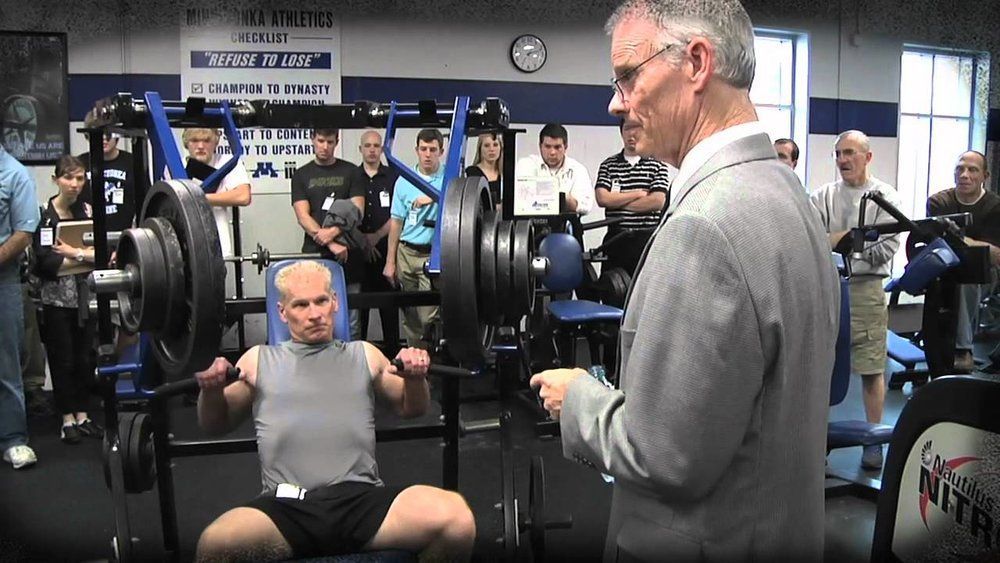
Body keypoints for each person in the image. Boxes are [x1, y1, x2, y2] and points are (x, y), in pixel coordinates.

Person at [529, 1, 839, 560]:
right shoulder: (787, 192)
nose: (615, 100)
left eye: (627, 76)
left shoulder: (706, 225)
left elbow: (663, 456)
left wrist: (578, 399)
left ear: (696, 63)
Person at [193, 260, 475, 561]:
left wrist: (415, 378)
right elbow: (216, 423)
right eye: (301, 305)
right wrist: (210, 390)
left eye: (321, 301)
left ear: (335, 302)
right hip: (288, 507)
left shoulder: (364, 355)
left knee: (456, 520)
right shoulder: (258, 361)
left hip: (361, 499)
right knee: (215, 545)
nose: (314, 314)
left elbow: (412, 407)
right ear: (282, 312)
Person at [810, 130, 902, 470]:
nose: (843, 160)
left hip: (866, 291)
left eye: (850, 152)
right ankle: (815, 440)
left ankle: (873, 443)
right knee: (822, 367)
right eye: (838, 154)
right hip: (828, 289)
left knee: (870, 366)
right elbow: (811, 239)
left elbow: (885, 249)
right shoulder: (823, 197)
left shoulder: (885, 197)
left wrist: (838, 247)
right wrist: (844, 243)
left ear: (868, 156)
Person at [32, 155, 103, 444]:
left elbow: (102, 254)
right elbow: (46, 263)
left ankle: (84, 414)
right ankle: (67, 417)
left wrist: (75, 253)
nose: (74, 184)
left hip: (86, 298)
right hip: (57, 301)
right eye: (68, 178)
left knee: (85, 358)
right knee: (63, 360)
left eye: (80, 178)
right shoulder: (45, 216)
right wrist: (83, 257)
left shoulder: (88, 211)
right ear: (56, 180)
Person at [927, 150, 1000, 372]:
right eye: (960, 169)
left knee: (968, 279)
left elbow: (994, 254)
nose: (965, 175)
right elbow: (933, 241)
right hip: (943, 268)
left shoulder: (995, 206)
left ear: (985, 176)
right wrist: (973, 244)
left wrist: (956, 238)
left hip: (985, 273)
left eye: (972, 170)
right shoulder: (938, 202)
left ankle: (962, 349)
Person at [291, 129, 367, 339]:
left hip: (349, 254)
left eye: (330, 142)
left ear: (337, 142)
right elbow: (302, 216)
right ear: (312, 140)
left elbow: (357, 210)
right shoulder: (301, 175)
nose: (325, 146)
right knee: (315, 315)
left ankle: (351, 365)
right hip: (315, 255)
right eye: (321, 141)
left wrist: (332, 232)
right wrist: (330, 243)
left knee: (351, 318)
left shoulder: (351, 172)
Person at [384, 129, 445, 349]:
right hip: (406, 252)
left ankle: (431, 366)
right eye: (423, 149)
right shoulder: (404, 180)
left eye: (433, 150)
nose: (427, 154)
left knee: (428, 317)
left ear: (442, 151)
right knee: (409, 316)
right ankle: (414, 369)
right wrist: (390, 262)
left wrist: (433, 197)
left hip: (432, 255)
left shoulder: (451, 180)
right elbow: (396, 222)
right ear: (416, 150)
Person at [0, 142, 40, 469]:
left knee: (6, 363)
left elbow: (24, 233)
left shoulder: (15, 174)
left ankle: (13, 439)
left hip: (3, 283)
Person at [594, 122, 671, 275]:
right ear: (621, 132)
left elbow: (657, 202)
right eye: (627, 129)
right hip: (615, 239)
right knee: (612, 291)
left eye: (637, 129)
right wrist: (637, 194)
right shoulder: (608, 165)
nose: (632, 134)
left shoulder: (658, 164)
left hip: (646, 239)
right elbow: (602, 198)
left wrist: (617, 202)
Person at [357, 130, 400, 353]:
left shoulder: (393, 177)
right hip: (359, 253)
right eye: (368, 146)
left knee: (390, 308)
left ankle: (393, 357)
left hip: (387, 251)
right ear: (360, 149)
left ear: (382, 149)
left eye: (376, 145)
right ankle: (361, 359)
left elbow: (398, 213)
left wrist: (376, 237)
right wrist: (364, 241)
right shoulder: (351, 176)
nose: (372, 150)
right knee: (359, 310)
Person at [180, 128, 252, 258]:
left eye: (206, 141)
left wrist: (196, 198)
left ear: (216, 142)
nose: (201, 146)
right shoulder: (176, 165)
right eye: (195, 140)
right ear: (186, 143)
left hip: (218, 244)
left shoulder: (228, 162)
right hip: (184, 244)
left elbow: (243, 196)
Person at [515, 124, 595, 216]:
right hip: (529, 224)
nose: (552, 152)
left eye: (557, 147)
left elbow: (586, 206)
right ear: (540, 146)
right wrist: (558, 197)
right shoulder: (525, 165)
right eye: (548, 147)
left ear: (565, 147)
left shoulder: (578, 170)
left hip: (565, 225)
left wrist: (565, 200)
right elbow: (520, 200)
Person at [78, 110, 136, 234]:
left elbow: (143, 202)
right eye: (99, 134)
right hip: (89, 236)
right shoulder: (79, 163)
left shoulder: (132, 162)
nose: (104, 139)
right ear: (88, 136)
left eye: (108, 134)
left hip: (124, 235)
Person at [465, 132, 503, 206]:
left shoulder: (506, 174)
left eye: (495, 145)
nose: (491, 149)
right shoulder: (471, 173)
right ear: (480, 148)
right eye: (486, 145)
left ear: (501, 148)